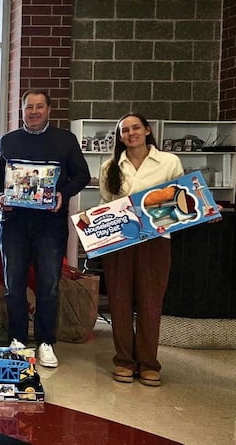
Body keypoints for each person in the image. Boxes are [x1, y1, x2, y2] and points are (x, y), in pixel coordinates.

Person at [0, 89, 90, 368]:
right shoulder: (7, 142)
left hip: (50, 223)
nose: (33, 112)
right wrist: (0, 197)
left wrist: (63, 193)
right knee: (14, 284)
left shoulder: (65, 140)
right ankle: (18, 340)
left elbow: (82, 174)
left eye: (39, 107)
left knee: (48, 285)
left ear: (49, 109)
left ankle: (46, 342)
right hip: (13, 223)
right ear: (21, 111)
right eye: (28, 107)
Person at [98, 113, 184, 387]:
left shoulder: (169, 162)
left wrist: (206, 208)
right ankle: (124, 360)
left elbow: (183, 198)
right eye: (125, 130)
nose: (131, 133)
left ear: (147, 130)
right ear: (120, 136)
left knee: (150, 302)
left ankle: (148, 363)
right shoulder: (111, 166)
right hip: (120, 243)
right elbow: (105, 203)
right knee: (120, 302)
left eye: (136, 128)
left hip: (156, 242)